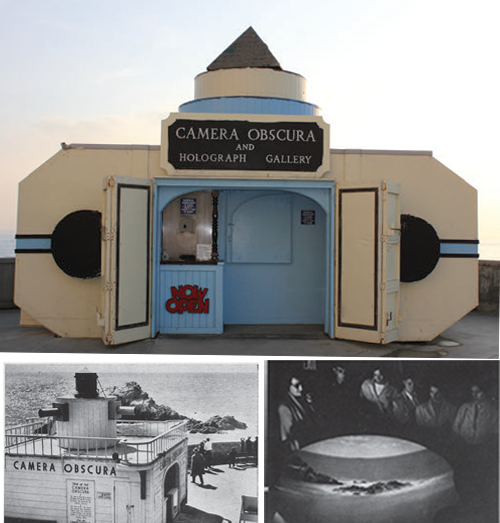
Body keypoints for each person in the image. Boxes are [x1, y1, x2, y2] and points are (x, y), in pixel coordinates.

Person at [277, 376, 317, 454]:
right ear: (288, 387)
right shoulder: (284, 407)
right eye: (297, 386)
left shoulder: (301, 402)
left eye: (301, 385)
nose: (301, 389)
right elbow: (292, 432)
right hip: (293, 451)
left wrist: (310, 405)